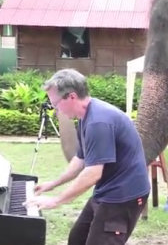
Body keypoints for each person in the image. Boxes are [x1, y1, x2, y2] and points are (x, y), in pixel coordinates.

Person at [24, 69, 150, 245]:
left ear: (72, 97)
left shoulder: (98, 122)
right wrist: (53, 184)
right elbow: (81, 159)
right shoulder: (86, 117)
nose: (54, 109)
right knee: (77, 239)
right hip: (107, 190)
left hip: (123, 196)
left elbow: (93, 173)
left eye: (56, 104)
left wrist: (56, 201)